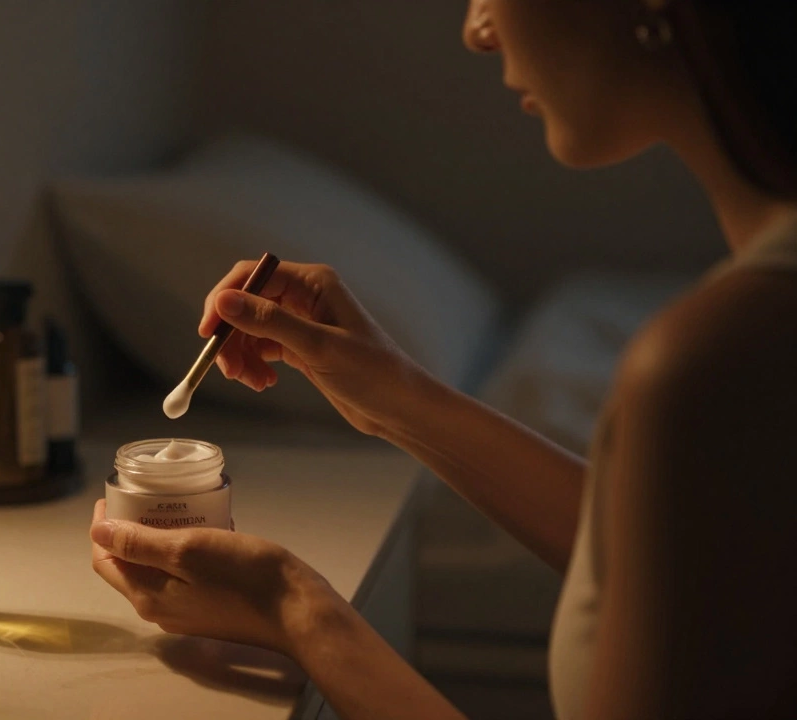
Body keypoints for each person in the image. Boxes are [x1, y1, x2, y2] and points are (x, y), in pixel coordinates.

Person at [88, 1, 797, 718]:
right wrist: (395, 397)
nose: (477, 29)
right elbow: (659, 555)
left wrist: (296, 608)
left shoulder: (714, 366)